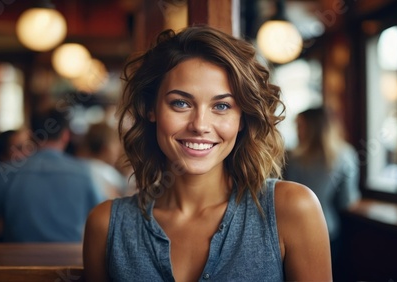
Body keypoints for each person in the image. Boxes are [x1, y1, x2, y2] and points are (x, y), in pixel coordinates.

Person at [83, 26, 332, 281]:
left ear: (242, 119)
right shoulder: (105, 226)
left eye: (221, 106)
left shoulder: (292, 209)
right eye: (181, 103)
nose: (200, 125)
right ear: (151, 109)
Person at [0, 107, 106, 242]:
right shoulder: (85, 173)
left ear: (31, 135)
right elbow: (104, 221)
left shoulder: (4, 173)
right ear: (65, 135)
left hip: (16, 261)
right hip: (70, 260)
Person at [282, 107, 361, 280]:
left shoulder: (292, 158)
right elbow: (348, 201)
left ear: (313, 128)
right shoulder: (346, 155)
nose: (297, 131)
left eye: (300, 126)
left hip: (290, 231)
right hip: (329, 230)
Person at [76, 122, 128, 199]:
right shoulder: (110, 175)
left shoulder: (79, 166)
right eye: (115, 143)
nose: (118, 149)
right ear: (106, 148)